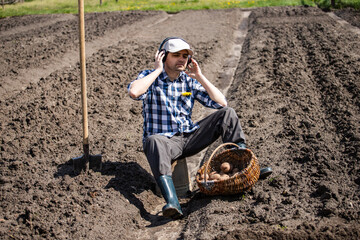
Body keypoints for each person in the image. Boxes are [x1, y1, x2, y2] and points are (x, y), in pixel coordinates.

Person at [127, 37, 270, 219]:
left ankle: (245, 166)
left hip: (189, 137)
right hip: (164, 143)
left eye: (185, 56)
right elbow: (134, 92)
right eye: (176, 55)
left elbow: (221, 102)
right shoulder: (149, 77)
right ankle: (172, 201)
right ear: (163, 57)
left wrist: (199, 77)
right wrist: (157, 71)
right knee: (153, 140)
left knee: (227, 113)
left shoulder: (188, 81)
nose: (182, 59)